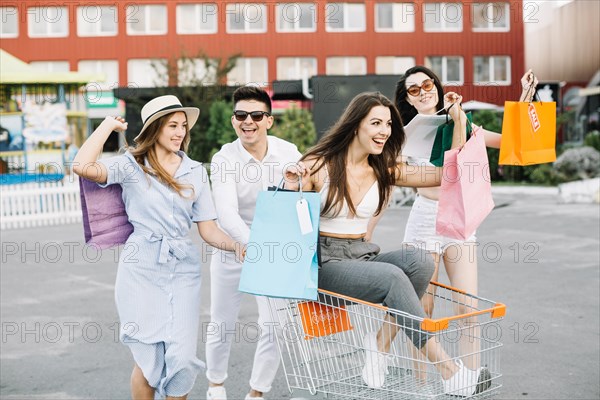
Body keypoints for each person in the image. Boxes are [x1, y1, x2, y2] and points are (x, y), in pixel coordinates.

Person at [285, 91, 490, 396]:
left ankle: (379, 343)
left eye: (389, 124)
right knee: (393, 277)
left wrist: (458, 119)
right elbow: (288, 221)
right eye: (376, 123)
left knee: (420, 261)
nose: (384, 131)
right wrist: (292, 184)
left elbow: (448, 174)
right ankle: (450, 371)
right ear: (356, 125)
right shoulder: (319, 165)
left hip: (360, 257)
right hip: (324, 265)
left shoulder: (384, 169)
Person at [72, 95, 244, 400]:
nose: (180, 132)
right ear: (154, 128)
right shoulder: (130, 165)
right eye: (172, 125)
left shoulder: (195, 171)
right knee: (148, 360)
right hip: (140, 269)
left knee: (181, 361)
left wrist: (235, 245)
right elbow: (82, 166)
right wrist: (108, 126)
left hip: (183, 269)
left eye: (183, 126)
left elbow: (208, 228)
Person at [394, 66, 538, 370]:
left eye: (427, 84)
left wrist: (525, 94)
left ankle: (468, 381)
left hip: (459, 221)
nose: (423, 91)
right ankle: (421, 386)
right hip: (424, 222)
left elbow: (511, 141)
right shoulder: (404, 134)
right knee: (424, 308)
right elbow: (395, 175)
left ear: (436, 85)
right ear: (407, 98)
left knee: (467, 306)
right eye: (414, 89)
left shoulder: (462, 121)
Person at [205, 86, 302, 400]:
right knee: (222, 323)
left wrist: (296, 182)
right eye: (241, 115)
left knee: (276, 324)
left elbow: (302, 200)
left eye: (256, 115)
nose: (249, 121)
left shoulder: (289, 152)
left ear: (269, 120)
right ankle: (215, 384)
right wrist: (250, 245)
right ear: (234, 121)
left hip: (274, 250)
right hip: (234, 248)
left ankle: (257, 392)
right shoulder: (223, 158)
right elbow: (226, 212)